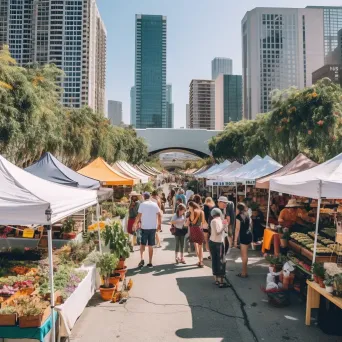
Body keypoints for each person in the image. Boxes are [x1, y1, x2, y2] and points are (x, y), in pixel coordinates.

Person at [133, 192, 162, 268]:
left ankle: (142, 258)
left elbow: (138, 216)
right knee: (150, 245)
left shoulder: (142, 204)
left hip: (144, 227)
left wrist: (135, 224)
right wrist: (159, 224)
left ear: (144, 197)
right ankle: (150, 262)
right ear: (149, 197)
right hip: (153, 227)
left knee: (142, 244)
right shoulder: (154, 204)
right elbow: (159, 214)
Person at [209, 208, 230, 288]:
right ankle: (221, 281)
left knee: (214, 260)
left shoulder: (213, 221)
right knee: (221, 261)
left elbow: (223, 231)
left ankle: (216, 280)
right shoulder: (219, 221)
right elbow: (219, 232)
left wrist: (225, 225)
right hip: (219, 243)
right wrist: (224, 225)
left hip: (212, 242)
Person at [235, 203, 253, 278]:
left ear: (238, 209)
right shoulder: (247, 215)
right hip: (248, 234)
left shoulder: (238, 216)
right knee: (245, 254)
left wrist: (235, 240)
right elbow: (250, 225)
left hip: (243, 235)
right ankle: (244, 271)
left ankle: (244, 273)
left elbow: (237, 229)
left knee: (244, 255)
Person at [186, 201, 205, 267]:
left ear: (191, 206)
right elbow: (203, 222)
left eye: (189, 206)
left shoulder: (191, 213)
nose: (188, 207)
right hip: (200, 229)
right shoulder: (202, 212)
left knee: (196, 245)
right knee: (200, 246)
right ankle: (201, 261)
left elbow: (190, 223)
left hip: (193, 229)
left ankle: (199, 260)